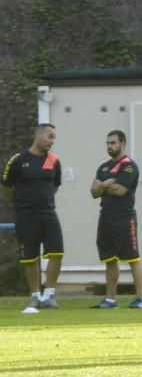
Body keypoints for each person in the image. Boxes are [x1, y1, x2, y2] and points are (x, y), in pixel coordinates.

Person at [1, 124, 63, 313]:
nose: (52, 141)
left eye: (54, 138)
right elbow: (6, 186)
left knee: (57, 253)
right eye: (49, 136)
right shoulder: (18, 160)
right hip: (26, 216)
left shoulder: (54, 160)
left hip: (48, 214)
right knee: (30, 258)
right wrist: (21, 204)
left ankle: (49, 295)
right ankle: (35, 296)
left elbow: (55, 186)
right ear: (38, 135)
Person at [90, 130, 142, 309]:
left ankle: (140, 299)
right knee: (109, 258)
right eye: (107, 143)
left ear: (122, 143)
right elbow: (93, 191)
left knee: (132, 257)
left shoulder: (129, 166)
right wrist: (108, 183)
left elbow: (120, 191)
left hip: (124, 217)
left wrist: (103, 185)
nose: (109, 146)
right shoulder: (103, 167)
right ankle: (110, 299)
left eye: (113, 143)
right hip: (106, 216)